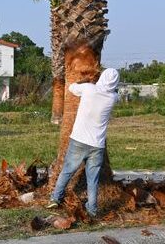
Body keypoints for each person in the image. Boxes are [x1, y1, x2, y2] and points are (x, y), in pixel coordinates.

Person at [48, 68, 120, 217]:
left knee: (67, 171)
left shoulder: (88, 89)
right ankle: (92, 210)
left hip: (79, 140)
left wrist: (85, 80)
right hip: (97, 146)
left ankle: (55, 198)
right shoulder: (113, 98)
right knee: (92, 179)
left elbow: (72, 87)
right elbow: (112, 92)